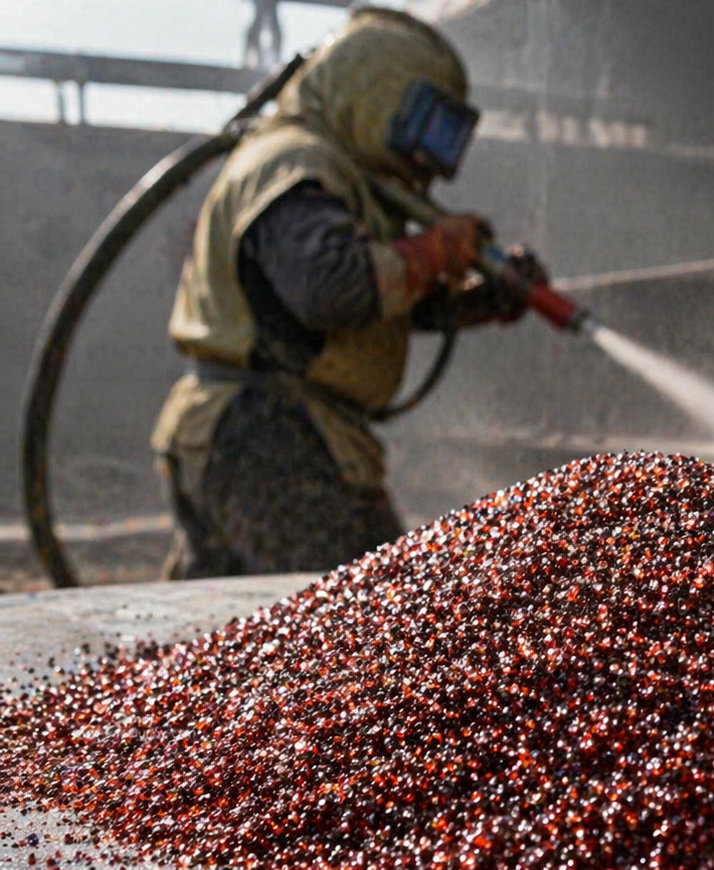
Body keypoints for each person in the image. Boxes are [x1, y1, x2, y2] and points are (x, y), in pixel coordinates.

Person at [154, 7, 542, 579]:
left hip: (265, 434)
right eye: (423, 124)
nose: (432, 162)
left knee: (241, 635)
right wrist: (434, 252)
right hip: (267, 438)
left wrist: (487, 297)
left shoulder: (340, 178)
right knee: (367, 632)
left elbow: (370, 309)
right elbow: (331, 289)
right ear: (372, 93)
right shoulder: (295, 163)